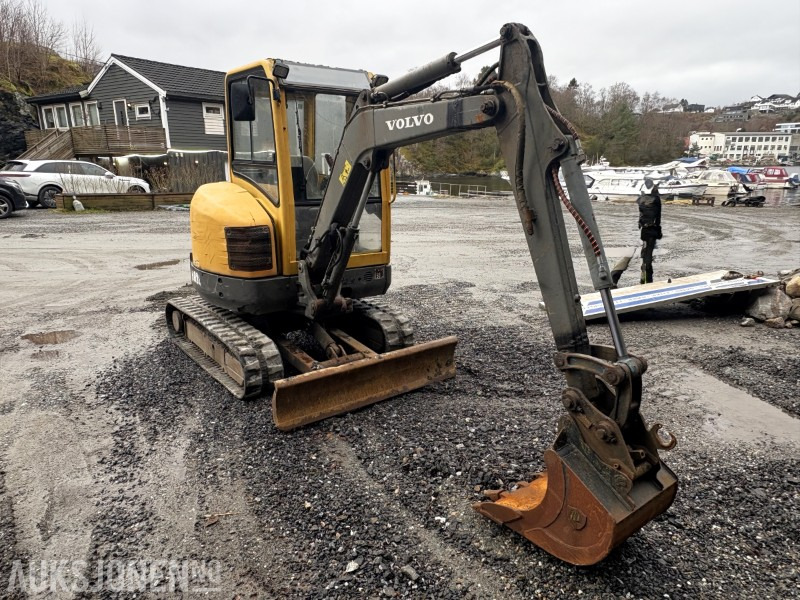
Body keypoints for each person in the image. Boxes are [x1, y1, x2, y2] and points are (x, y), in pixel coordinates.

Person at [637, 178, 662, 284]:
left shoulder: (641, 199)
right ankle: (647, 274)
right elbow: (658, 216)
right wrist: (659, 229)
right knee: (648, 253)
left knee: (646, 250)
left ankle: (644, 275)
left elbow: (641, 214)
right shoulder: (656, 200)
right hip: (652, 229)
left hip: (644, 229)